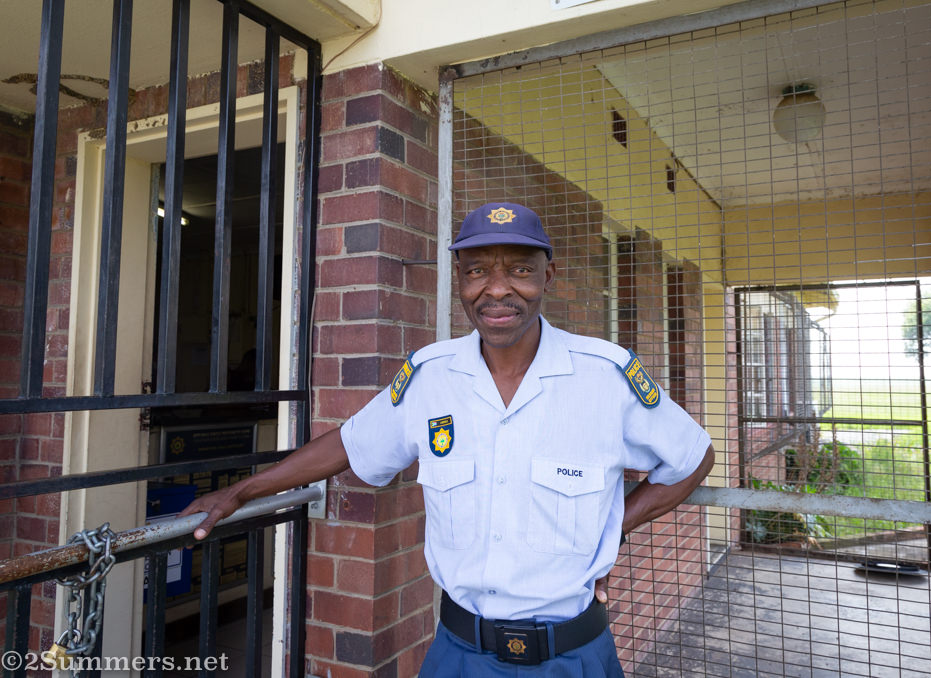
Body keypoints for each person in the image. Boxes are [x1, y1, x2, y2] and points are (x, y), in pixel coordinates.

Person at [180, 202, 715, 676]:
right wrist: (244, 491)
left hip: (574, 657)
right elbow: (350, 444)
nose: (497, 289)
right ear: (459, 278)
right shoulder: (429, 376)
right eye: (477, 271)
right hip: (460, 655)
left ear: (548, 277)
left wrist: (612, 525)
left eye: (520, 271)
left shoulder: (605, 374)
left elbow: (693, 457)